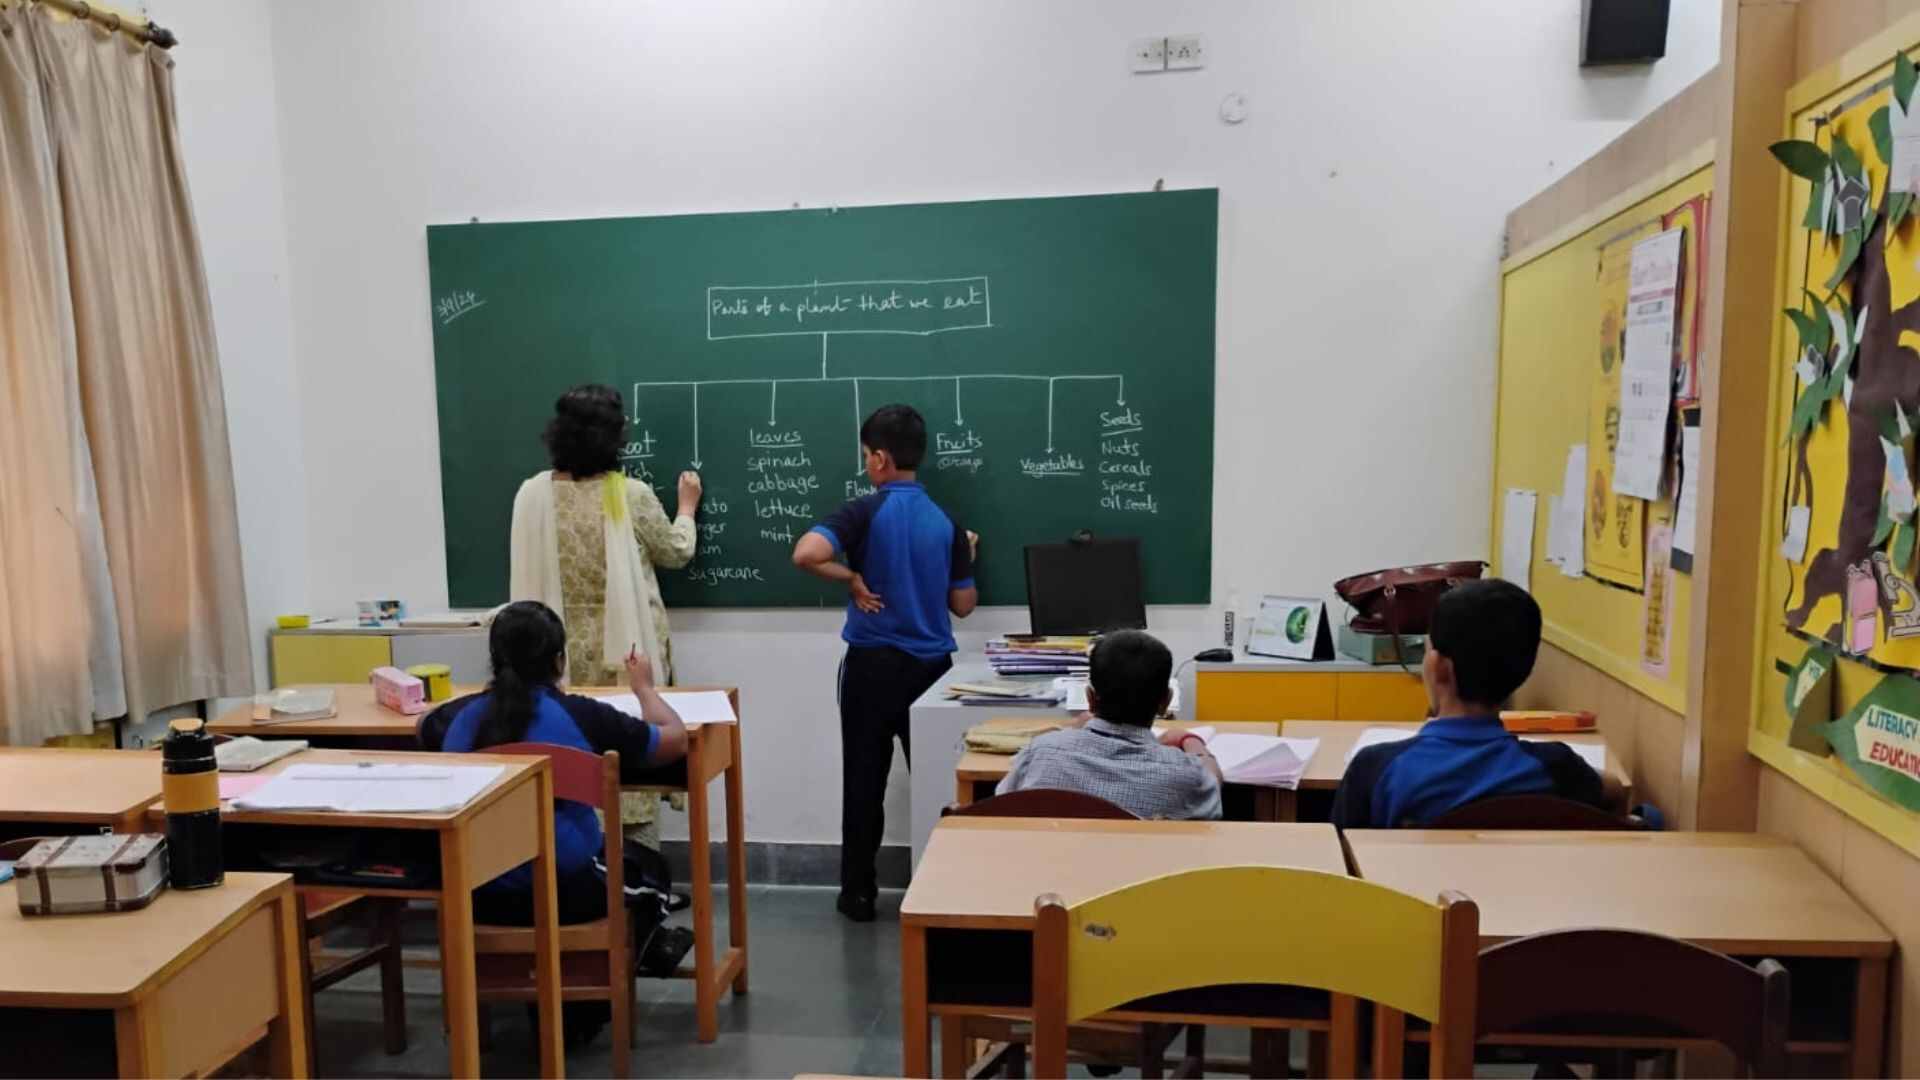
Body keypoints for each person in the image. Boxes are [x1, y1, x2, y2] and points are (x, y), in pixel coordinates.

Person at [417, 601, 696, 1039]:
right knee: (652, 875)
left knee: (605, 869)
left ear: (494, 659)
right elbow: (676, 741)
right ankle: (590, 993)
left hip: (476, 891)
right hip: (565, 889)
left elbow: (425, 726)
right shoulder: (580, 715)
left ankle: (535, 986)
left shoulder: (460, 719)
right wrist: (643, 688)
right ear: (558, 660)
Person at [792, 404, 978, 922]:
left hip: (872, 668)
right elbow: (962, 605)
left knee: (864, 782)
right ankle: (949, 890)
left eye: (866, 457)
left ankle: (858, 895)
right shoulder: (946, 522)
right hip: (932, 672)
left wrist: (850, 578)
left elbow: (806, 553)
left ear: (880, 459)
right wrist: (965, 558)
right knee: (940, 783)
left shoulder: (863, 511)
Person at [510, 383, 700, 852]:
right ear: (615, 437)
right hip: (627, 653)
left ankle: (579, 861)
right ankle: (639, 880)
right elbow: (675, 551)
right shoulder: (626, 494)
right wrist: (688, 508)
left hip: (555, 655)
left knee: (570, 748)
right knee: (630, 750)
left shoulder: (532, 494)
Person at [1330, 579, 1604, 829]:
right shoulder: (1559, 768)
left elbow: (1340, 863)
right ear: (1523, 670)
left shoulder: (1374, 770)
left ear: (1438, 667)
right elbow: (1607, 795)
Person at [996, 630, 1222, 820]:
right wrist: (1192, 742)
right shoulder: (1184, 773)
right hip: (1142, 872)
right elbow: (1212, 786)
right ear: (1166, 702)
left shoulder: (1042, 752)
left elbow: (1002, 800)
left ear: (1090, 698)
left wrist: (1074, 728)